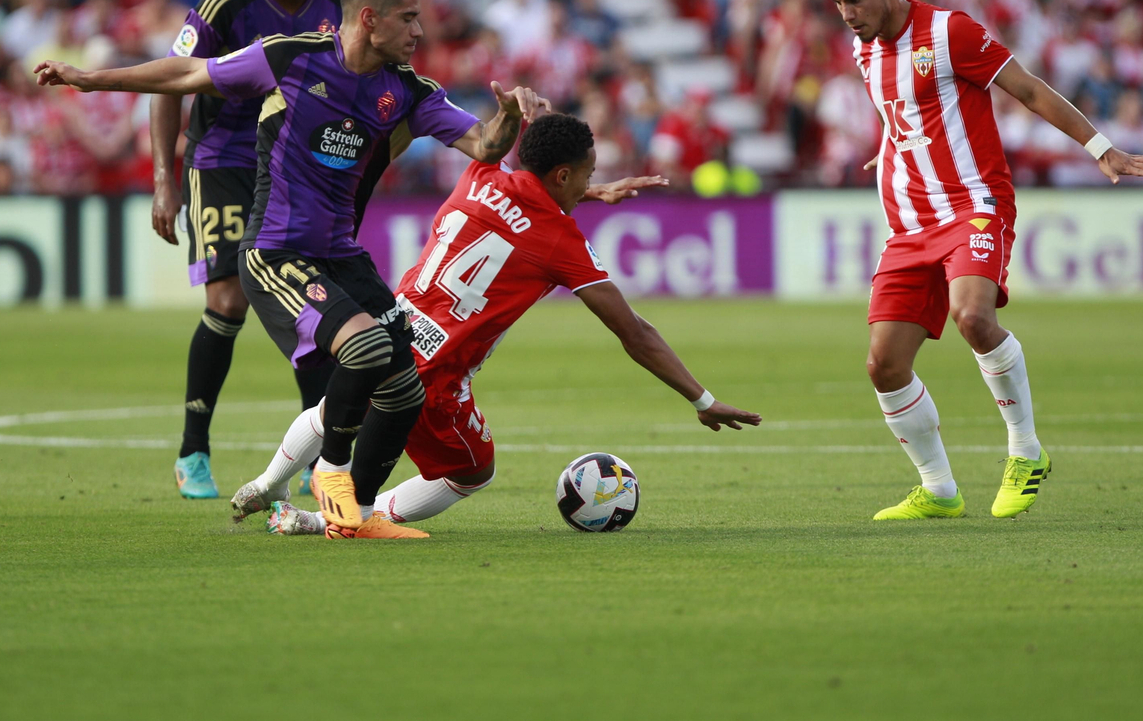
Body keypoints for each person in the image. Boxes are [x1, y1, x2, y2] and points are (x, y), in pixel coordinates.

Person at [36, 0, 545, 540]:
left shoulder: (406, 89)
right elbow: (189, 75)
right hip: (275, 251)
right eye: (409, 19)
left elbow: (482, 143)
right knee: (367, 348)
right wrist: (91, 78)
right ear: (369, 19)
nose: (419, 32)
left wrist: (507, 121)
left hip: (341, 256)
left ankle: (354, 516)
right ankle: (331, 471)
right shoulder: (290, 57)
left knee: (405, 388)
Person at [236, 113, 762, 537]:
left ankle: (266, 484)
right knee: (470, 471)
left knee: (337, 406)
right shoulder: (561, 241)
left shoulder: (480, 174)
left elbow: (526, 181)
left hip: (389, 326)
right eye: (586, 173)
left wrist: (585, 191)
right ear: (561, 175)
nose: (589, 181)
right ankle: (333, 521)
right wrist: (701, 399)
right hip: (437, 373)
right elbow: (634, 332)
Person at [816, 0, 1143, 521]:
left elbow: (1026, 88)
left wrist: (1100, 148)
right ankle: (939, 489)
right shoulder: (865, 49)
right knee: (884, 364)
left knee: (973, 316)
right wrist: (890, 145)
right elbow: (899, 109)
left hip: (973, 204)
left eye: (855, 0)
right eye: (838, 5)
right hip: (908, 224)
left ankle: (1026, 450)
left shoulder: (950, 32)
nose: (848, 15)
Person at [147, 0, 345, 501]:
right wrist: (163, 177)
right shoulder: (224, 4)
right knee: (229, 300)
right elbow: (168, 82)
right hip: (224, 159)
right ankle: (193, 451)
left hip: (298, 162)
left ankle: (320, 459)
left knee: (313, 305)